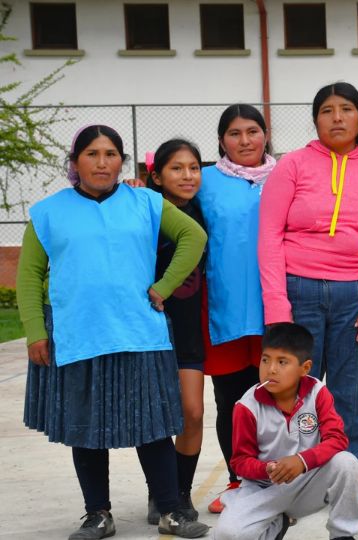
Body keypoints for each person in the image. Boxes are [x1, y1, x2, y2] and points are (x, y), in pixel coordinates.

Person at [18, 125, 210, 539]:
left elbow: (193, 237)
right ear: (75, 163)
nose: (102, 162)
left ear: (121, 161)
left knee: (152, 425)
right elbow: (30, 275)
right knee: (86, 429)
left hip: (140, 332)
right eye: (91, 154)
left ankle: (171, 511)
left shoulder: (146, 202)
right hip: (77, 335)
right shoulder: (48, 212)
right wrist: (35, 331)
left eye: (110, 154)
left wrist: (164, 287)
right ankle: (98, 515)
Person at [259, 82, 358, 520]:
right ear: (315, 119)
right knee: (293, 399)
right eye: (326, 110)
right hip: (298, 294)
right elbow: (269, 236)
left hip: (356, 300)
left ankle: (354, 488)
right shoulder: (292, 166)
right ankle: (290, 489)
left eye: (346, 109)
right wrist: (278, 309)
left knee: (348, 400)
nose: (336, 117)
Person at [215, 323, 358, 540]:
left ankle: (343, 534)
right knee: (228, 535)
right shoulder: (246, 406)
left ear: (305, 368)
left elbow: (337, 438)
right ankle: (276, 523)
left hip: (307, 482)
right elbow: (240, 461)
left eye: (282, 362)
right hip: (263, 489)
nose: (271, 369)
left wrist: (301, 461)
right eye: (265, 360)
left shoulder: (317, 392)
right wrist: (269, 469)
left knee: (347, 464)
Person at [198, 104, 275, 514]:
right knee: (232, 400)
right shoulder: (205, 180)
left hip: (276, 307)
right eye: (234, 133)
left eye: (252, 131)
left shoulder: (287, 174)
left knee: (277, 398)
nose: (244, 141)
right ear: (221, 141)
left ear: (266, 134)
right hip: (224, 311)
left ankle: (279, 476)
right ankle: (238, 478)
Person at [147, 139, 208, 523]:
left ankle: (180, 492)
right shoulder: (143, 209)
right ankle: (161, 494)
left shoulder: (204, 209)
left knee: (193, 412)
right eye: (176, 168)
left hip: (188, 326)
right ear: (155, 175)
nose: (187, 176)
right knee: (154, 416)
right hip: (149, 324)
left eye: (194, 168)